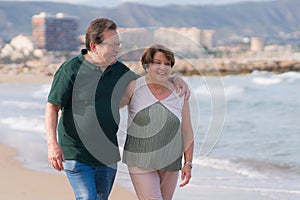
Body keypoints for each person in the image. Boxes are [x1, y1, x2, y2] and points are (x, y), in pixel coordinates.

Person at [44, 18, 190, 200]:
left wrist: (175, 77)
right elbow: (52, 107)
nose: (117, 49)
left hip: (107, 154)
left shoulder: (121, 72)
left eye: (118, 44)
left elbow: (149, 81)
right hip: (76, 152)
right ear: (94, 46)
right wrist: (52, 145)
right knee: (88, 198)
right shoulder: (70, 70)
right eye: (112, 44)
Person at [120, 44, 194, 200]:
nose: (163, 67)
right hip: (140, 161)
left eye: (167, 64)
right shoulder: (134, 87)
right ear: (147, 66)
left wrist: (188, 163)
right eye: (157, 62)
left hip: (171, 163)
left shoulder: (180, 92)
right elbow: (109, 108)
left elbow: (186, 130)